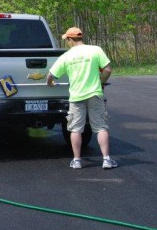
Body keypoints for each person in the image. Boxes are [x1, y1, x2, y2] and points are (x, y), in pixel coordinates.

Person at [46, 27, 117, 170]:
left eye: (67, 40)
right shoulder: (96, 50)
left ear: (70, 40)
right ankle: (106, 159)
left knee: (76, 129)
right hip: (95, 94)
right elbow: (108, 69)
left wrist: (50, 83)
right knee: (100, 127)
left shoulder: (67, 56)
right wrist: (101, 81)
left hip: (77, 96)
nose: (67, 42)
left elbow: (50, 75)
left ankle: (77, 160)